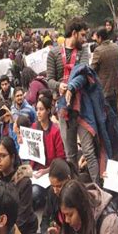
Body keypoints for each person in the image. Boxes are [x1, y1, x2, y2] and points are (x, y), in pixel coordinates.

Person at [46, 17, 90, 159]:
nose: (85, 39)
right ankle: (74, 179)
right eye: (82, 35)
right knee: (70, 153)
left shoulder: (83, 51)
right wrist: (59, 86)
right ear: (74, 33)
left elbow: (83, 74)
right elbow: (49, 80)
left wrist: (71, 87)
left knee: (89, 151)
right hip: (64, 108)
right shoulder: (54, 53)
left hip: (82, 106)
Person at [0, 136, 38, 234]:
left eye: (3, 156)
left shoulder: (24, 182)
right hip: (2, 225)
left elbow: (22, 218)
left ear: (12, 157)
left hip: (23, 229)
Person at [30, 96, 65, 210]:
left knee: (34, 193)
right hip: (34, 172)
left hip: (48, 173)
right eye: (37, 109)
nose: (38, 112)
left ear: (48, 111)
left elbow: (60, 159)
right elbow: (30, 153)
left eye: (41, 109)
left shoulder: (55, 132)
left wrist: (46, 171)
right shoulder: (34, 127)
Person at [91, 26, 118, 115]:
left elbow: (92, 69)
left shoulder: (98, 50)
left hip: (104, 88)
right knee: (115, 113)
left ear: (100, 37)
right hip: (116, 87)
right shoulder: (116, 47)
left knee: (105, 115)